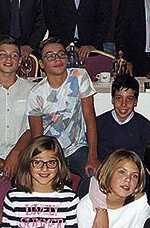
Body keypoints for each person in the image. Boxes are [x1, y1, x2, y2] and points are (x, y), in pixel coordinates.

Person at [27, 38, 100, 196]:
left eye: (61, 54)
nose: (57, 59)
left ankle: (77, 208)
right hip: (50, 151)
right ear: (41, 63)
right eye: (50, 56)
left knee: (96, 176)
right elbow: (37, 138)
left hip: (77, 148)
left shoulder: (79, 77)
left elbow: (90, 120)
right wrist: (44, 162)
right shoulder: (36, 93)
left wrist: (92, 156)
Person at [0, 37, 36, 221]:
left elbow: (33, 128)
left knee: (27, 217)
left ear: (20, 60)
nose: (8, 59)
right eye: (3, 55)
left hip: (22, 160)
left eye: (14, 55)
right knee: (2, 220)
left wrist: (16, 153)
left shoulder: (31, 89)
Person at [95, 74, 150, 162]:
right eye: (119, 98)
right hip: (106, 172)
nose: (123, 104)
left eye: (129, 99)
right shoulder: (99, 123)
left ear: (135, 102)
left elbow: (148, 157)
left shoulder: (144, 126)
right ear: (112, 100)